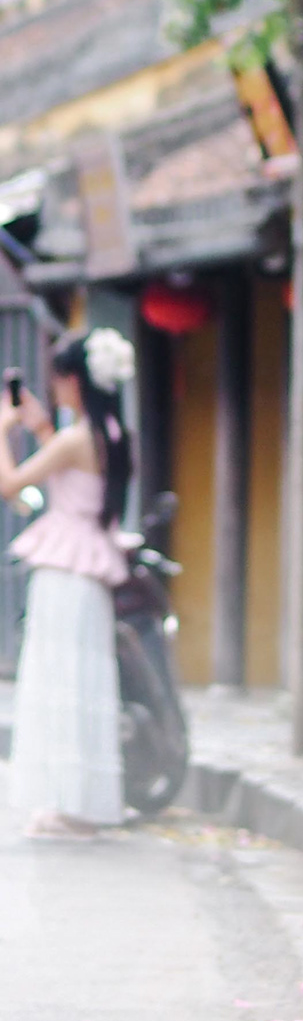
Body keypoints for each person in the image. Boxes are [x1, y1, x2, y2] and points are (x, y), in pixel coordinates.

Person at [2, 326, 137, 839]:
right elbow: (71, 474)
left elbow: (10, 484)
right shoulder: (110, 434)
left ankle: (63, 804)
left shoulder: (74, 438)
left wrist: (2, 426)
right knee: (84, 682)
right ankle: (78, 804)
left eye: (60, 378)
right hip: (90, 573)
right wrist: (39, 430)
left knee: (57, 678)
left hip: (64, 573)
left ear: (77, 381)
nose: (55, 386)